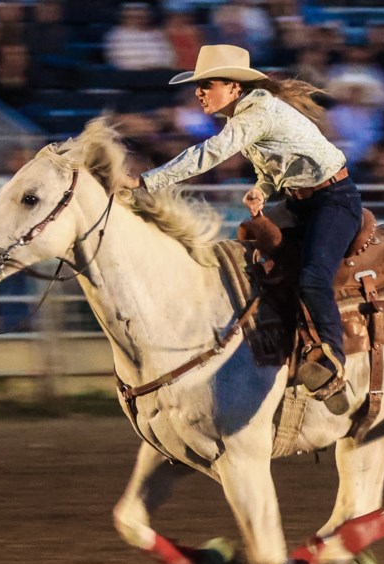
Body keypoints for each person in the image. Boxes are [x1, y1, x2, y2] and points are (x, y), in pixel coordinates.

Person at [126, 44, 360, 414]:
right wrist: (262, 189)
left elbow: (211, 153)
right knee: (247, 250)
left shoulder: (257, 113)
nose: (199, 92)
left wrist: (146, 181)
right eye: (197, 86)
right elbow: (272, 165)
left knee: (314, 276)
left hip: (333, 202)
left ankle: (332, 361)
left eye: (208, 84)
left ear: (235, 87)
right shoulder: (250, 114)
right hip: (304, 202)